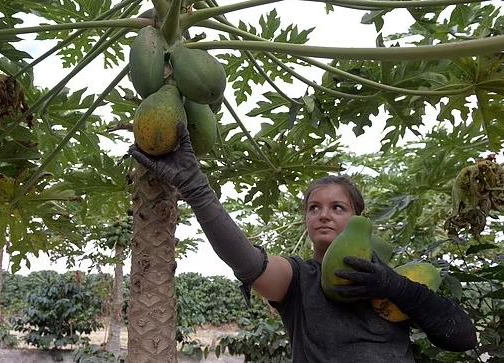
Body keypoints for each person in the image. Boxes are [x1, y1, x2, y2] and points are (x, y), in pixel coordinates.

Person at [129, 124, 478, 362]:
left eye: (337, 207)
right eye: (314, 208)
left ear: (359, 216)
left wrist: (393, 285)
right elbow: (250, 263)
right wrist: (195, 187)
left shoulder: (393, 282)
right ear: (307, 220)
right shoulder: (300, 279)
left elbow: (461, 337)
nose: (324, 215)